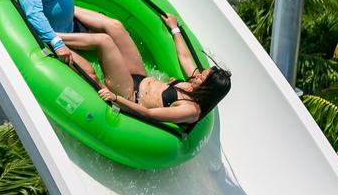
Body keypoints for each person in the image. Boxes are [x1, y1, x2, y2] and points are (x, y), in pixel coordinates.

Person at [86, 13, 232, 124]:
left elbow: (149, 114)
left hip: (128, 95)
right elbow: (185, 58)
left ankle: (61, 39)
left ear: (207, 89)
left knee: (105, 42)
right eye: (201, 73)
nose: (197, 75)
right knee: (115, 26)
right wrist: (174, 28)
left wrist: (116, 98)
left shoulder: (190, 109)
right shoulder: (194, 85)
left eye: (202, 77)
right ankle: (69, 8)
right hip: (139, 77)